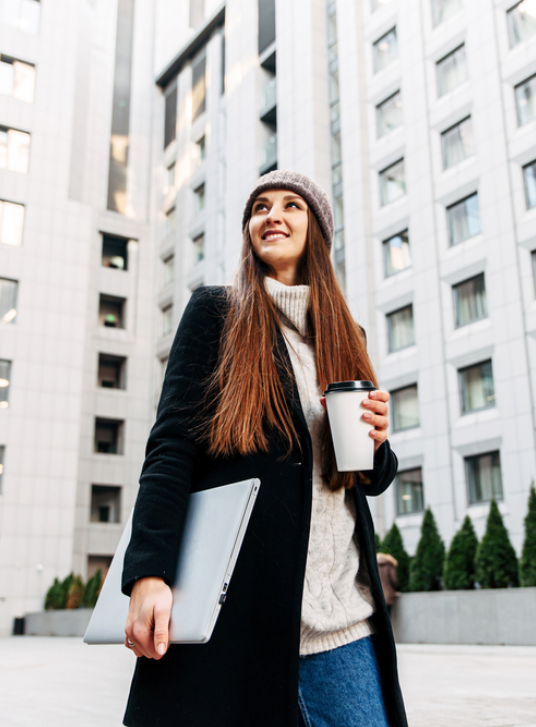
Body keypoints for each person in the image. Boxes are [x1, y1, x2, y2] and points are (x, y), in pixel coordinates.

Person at [121, 170, 408, 727]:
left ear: (317, 232)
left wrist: (377, 442)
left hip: (342, 620)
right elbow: (171, 449)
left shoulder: (348, 337)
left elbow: (362, 477)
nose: (272, 215)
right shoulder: (218, 315)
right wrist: (148, 573)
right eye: (259, 207)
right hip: (244, 617)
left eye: (291, 206)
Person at [377, 553, 400, 618]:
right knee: (387, 616)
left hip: (377, 595)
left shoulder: (375, 566)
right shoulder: (390, 565)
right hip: (387, 595)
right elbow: (394, 580)